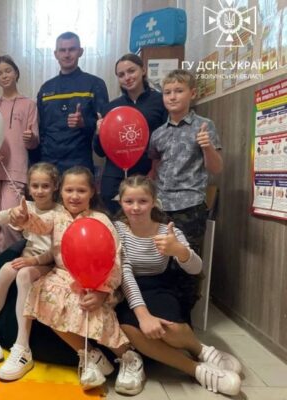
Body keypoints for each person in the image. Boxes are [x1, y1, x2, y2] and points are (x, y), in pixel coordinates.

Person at [12, 166, 141, 394]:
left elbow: (114, 258)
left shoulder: (100, 219)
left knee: (88, 307)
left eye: (81, 190)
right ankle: (90, 357)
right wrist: (24, 218)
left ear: (92, 192)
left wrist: (102, 292)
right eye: (69, 190)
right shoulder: (56, 215)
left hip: (97, 281)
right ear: (60, 191)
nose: (74, 196)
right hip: (62, 277)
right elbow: (39, 224)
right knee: (43, 297)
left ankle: (129, 357)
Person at [114, 175, 241, 396]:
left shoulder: (168, 231)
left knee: (169, 327)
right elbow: (124, 273)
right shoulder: (117, 229)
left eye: (142, 201)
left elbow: (196, 268)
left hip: (158, 285)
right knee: (129, 329)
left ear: (153, 202)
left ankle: (199, 350)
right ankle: (197, 370)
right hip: (126, 288)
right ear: (121, 202)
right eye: (129, 201)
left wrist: (179, 251)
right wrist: (143, 315)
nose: (135, 207)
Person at [0, 162, 63, 381]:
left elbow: (57, 251)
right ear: (29, 187)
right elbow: (9, 214)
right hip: (28, 257)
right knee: (6, 268)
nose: (40, 191)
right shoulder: (28, 206)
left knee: (24, 274)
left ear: (55, 186)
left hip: (49, 262)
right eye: (35, 186)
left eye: (45, 186)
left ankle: (22, 346)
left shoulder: (61, 212)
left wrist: (33, 261)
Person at [149, 69, 223, 256]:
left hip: (190, 206)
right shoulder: (158, 133)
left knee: (186, 259)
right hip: (161, 207)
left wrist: (207, 146)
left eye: (179, 91)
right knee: (159, 258)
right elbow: (154, 168)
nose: (172, 97)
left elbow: (216, 168)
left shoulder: (204, 126)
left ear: (192, 93)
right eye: (167, 92)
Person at [93, 53, 167, 214]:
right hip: (114, 176)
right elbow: (99, 151)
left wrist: (154, 170)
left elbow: (167, 141)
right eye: (121, 75)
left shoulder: (161, 101)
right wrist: (99, 132)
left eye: (131, 71)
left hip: (147, 173)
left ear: (143, 70)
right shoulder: (110, 108)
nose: (127, 77)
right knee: (114, 221)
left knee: (145, 220)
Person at [0, 55, 39, 254]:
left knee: (12, 220)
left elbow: (34, 142)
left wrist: (30, 137)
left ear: (16, 73)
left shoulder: (29, 104)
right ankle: (2, 263)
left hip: (16, 169)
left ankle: (14, 260)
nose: (4, 75)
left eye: (8, 71)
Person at [33, 32, 108, 174]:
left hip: (80, 163)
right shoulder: (46, 88)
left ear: (80, 52)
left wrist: (84, 123)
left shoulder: (95, 84)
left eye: (72, 49)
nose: (67, 54)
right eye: (62, 50)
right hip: (49, 163)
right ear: (56, 54)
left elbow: (104, 127)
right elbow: (41, 129)